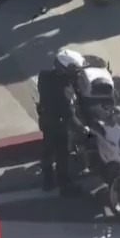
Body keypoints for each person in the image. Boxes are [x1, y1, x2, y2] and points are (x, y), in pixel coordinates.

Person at [37, 49, 87, 195]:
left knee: (47, 150)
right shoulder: (64, 90)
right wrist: (84, 131)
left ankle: (47, 181)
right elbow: (69, 115)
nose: (76, 73)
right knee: (62, 154)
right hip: (58, 124)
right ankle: (65, 185)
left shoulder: (44, 77)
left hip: (45, 119)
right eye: (74, 69)